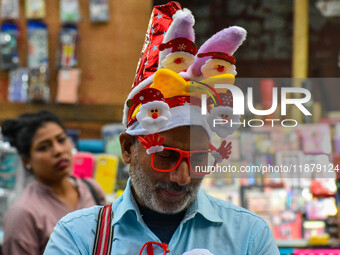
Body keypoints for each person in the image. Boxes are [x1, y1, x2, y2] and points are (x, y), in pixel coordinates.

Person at [44, 2, 280, 254]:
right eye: (166, 156)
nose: (183, 177)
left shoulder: (248, 236)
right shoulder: (79, 236)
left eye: (198, 158)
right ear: (127, 148)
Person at [1, 110, 106, 255]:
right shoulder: (23, 214)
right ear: (26, 160)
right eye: (43, 147)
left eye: (61, 140)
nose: (58, 150)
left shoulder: (91, 190)